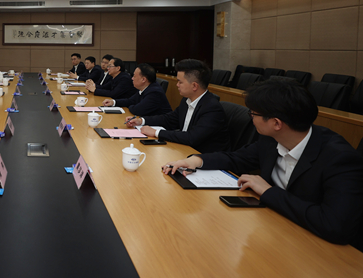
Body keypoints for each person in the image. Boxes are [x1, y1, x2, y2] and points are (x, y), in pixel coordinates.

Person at [162, 79, 363, 250]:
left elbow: (335, 226)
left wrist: (268, 191)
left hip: (314, 249)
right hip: (274, 230)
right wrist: (195, 160)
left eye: (253, 114)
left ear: (276, 123)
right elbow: (236, 158)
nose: (250, 118)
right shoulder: (271, 139)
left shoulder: (339, 158)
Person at [127, 59, 229, 153]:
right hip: (184, 150)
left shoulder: (212, 108)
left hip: (203, 157)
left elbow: (192, 137)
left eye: (180, 82)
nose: (177, 85)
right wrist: (141, 121)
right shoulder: (186, 100)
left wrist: (156, 132)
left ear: (194, 86)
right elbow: (169, 119)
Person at [102, 63, 172, 116]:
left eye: (134, 76)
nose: (132, 78)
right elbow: (131, 101)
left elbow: (137, 110)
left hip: (158, 126)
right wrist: (113, 102)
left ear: (143, 79)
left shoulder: (155, 92)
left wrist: (131, 106)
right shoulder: (143, 87)